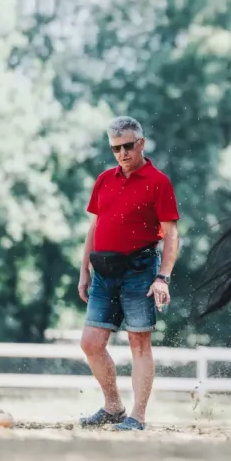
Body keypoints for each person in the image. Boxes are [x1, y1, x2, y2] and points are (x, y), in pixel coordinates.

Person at [77, 115, 180, 431]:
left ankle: (138, 416)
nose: (122, 153)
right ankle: (113, 407)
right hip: (104, 273)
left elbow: (172, 233)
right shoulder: (104, 180)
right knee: (91, 343)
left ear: (141, 144)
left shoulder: (158, 182)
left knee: (139, 343)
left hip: (140, 271)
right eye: (115, 148)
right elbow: (94, 226)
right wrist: (84, 271)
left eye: (127, 146)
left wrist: (162, 277)